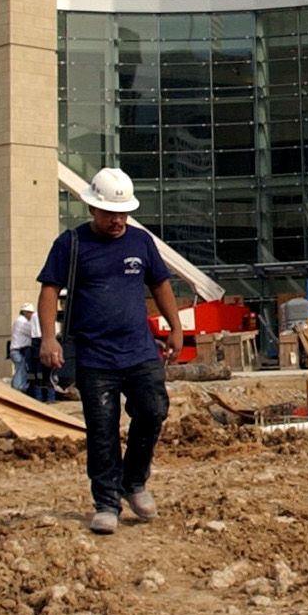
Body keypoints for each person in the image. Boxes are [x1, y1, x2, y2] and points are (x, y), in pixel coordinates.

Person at [36, 168, 184, 535]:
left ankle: (133, 481)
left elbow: (160, 285)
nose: (118, 220)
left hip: (139, 350)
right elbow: (49, 291)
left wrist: (175, 328)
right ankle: (106, 503)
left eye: (123, 213)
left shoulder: (141, 243)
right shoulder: (70, 245)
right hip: (94, 356)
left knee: (153, 411)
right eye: (110, 213)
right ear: (92, 208)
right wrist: (48, 338)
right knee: (102, 430)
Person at [8, 302, 42, 398]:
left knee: (21, 370)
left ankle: (18, 388)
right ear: (26, 313)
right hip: (18, 351)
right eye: (30, 313)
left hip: (17, 350)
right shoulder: (22, 322)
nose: (31, 315)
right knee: (21, 370)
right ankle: (18, 390)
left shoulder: (19, 321)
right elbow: (33, 332)